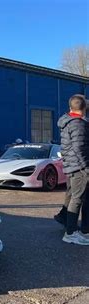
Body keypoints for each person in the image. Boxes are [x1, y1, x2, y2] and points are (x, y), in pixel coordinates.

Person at [57, 94, 89, 245]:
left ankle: (83, 231)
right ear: (84, 108)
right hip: (79, 167)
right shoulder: (78, 124)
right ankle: (70, 233)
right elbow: (79, 147)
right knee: (77, 199)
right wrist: (86, 167)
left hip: (73, 165)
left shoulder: (68, 122)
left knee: (78, 198)